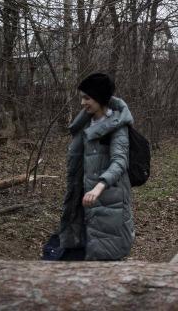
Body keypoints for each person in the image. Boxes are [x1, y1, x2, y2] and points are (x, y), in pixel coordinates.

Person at [58, 73, 135, 261]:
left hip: (109, 201)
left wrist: (99, 186)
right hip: (84, 200)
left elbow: (120, 161)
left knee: (107, 258)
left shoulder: (117, 126)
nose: (83, 103)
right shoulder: (86, 122)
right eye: (82, 98)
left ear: (100, 99)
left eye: (87, 98)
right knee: (82, 255)